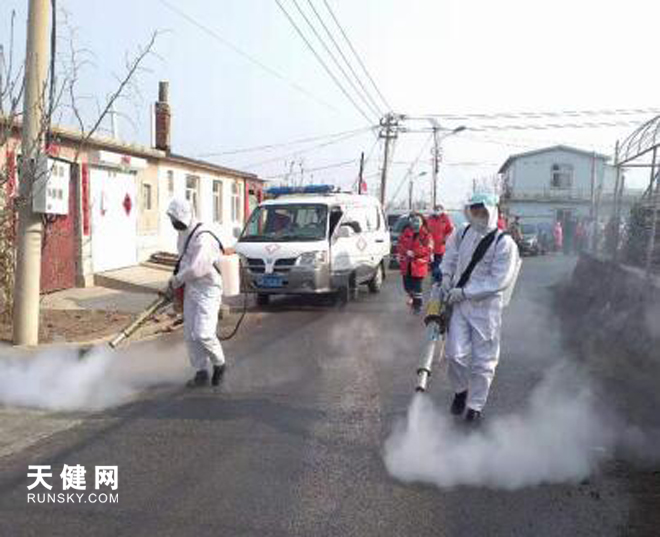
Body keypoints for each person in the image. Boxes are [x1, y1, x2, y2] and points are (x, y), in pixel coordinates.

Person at [440, 193, 519, 423]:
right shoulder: (462, 233)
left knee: (484, 360)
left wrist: (465, 292)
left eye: (483, 212)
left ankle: (475, 405)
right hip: (460, 304)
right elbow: (450, 258)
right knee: (455, 354)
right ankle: (461, 391)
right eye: (475, 212)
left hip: (486, 309)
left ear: (492, 211)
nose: (479, 216)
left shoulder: (504, 243)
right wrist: (446, 276)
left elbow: (499, 280)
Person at [167, 198, 227, 388]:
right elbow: (184, 261)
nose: (175, 223)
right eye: (173, 219)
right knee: (190, 334)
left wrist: (178, 280)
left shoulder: (204, 237)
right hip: (192, 288)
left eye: (177, 219)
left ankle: (220, 363)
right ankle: (201, 371)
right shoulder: (183, 234)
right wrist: (174, 281)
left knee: (203, 333)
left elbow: (198, 267)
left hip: (208, 288)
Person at [397, 213, 433, 314]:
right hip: (406, 264)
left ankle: (418, 306)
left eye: (418, 221)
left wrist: (415, 253)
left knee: (417, 287)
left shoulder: (426, 235)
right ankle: (412, 298)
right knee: (407, 286)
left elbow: (429, 249)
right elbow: (400, 245)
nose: (415, 223)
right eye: (414, 221)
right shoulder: (406, 232)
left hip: (419, 265)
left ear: (422, 222)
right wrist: (403, 252)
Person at [427, 205, 454, 284]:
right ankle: (435, 279)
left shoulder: (445, 218)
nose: (437, 211)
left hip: (441, 247)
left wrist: (446, 238)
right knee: (432, 265)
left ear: (442, 210)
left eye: (439, 209)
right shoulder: (429, 218)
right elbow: (425, 230)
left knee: (439, 265)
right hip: (430, 247)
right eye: (436, 209)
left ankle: (438, 280)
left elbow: (450, 230)